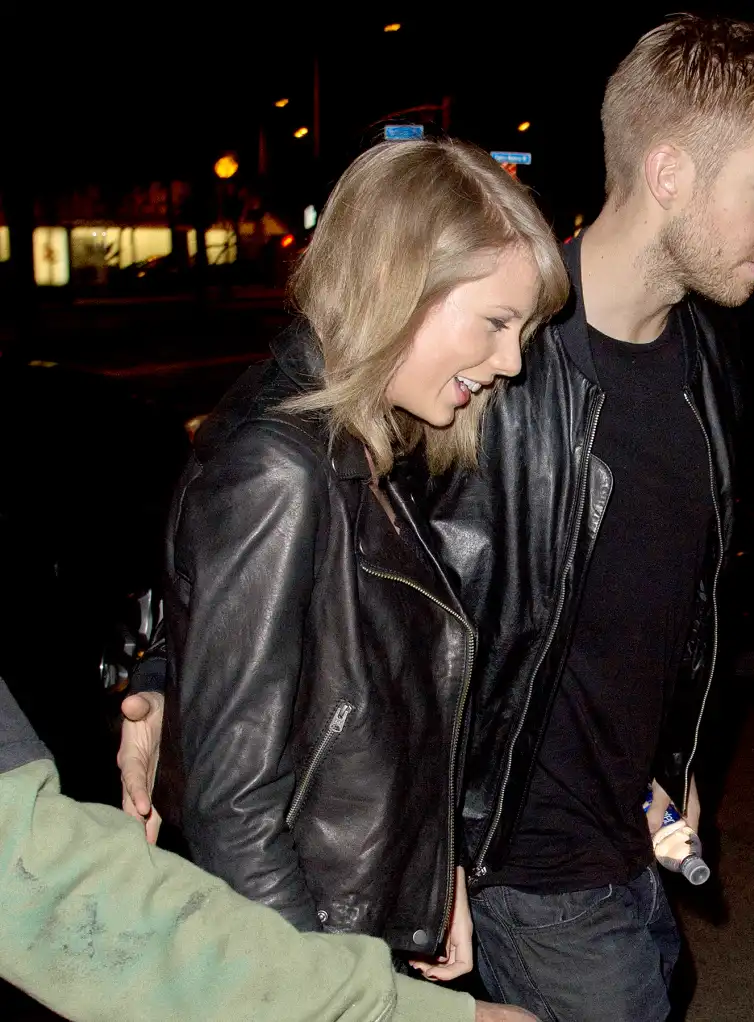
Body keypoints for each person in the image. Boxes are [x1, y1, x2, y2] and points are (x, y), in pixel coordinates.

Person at [120, 15, 754, 1020]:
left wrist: (673, 769)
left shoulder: (707, 366)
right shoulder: (470, 363)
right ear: (669, 170)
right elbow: (257, 515)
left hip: (624, 841)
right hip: (518, 866)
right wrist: (155, 664)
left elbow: (672, 614)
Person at [146, 137, 567, 982]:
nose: (512, 362)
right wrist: (338, 995)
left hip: (360, 918)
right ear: (401, 288)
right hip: (312, 943)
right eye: (495, 321)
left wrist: (432, 872)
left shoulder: (366, 445)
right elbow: (234, 809)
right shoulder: (281, 470)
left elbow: (377, 719)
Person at [0, 675, 537, 1021]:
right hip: (312, 920)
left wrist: (443, 854)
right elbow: (45, 888)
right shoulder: (284, 491)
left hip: (372, 902)